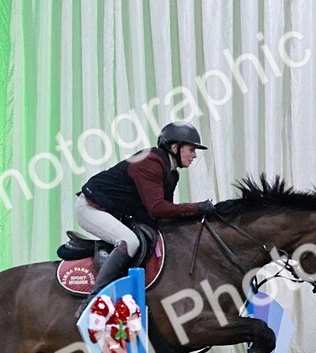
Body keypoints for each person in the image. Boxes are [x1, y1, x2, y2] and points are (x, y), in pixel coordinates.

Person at [74, 121, 214, 316]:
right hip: (90, 208)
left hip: (114, 211)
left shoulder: (171, 174)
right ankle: (92, 302)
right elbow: (157, 208)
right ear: (175, 147)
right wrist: (197, 208)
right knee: (129, 241)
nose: (194, 155)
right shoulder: (151, 162)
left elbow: (166, 216)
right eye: (191, 149)